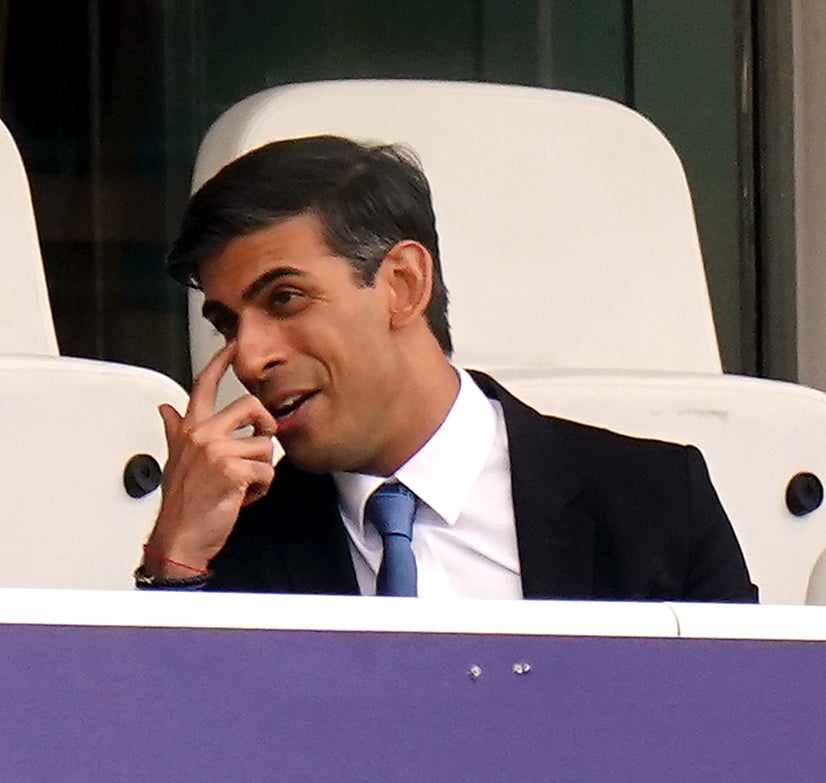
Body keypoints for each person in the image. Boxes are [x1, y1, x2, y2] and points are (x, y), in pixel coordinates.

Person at [136, 135, 757, 602]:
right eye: (227, 324)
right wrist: (175, 561)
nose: (250, 357)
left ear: (404, 285)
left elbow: (753, 744)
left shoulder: (652, 503)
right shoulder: (234, 549)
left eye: (285, 299)